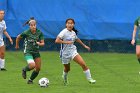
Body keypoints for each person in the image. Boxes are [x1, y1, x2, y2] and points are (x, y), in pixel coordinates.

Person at [55, 18, 96, 85]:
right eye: (68, 23)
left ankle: (90, 79)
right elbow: (57, 40)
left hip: (73, 51)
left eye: (71, 23)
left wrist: (84, 46)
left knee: (83, 64)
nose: (70, 25)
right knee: (67, 69)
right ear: (66, 24)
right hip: (64, 54)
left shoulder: (73, 33)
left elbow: (77, 39)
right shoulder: (63, 32)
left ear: (73, 24)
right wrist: (66, 42)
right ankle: (64, 78)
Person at [15, 17, 45, 84]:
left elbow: (43, 43)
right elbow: (18, 37)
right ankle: (24, 70)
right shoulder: (26, 32)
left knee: (38, 68)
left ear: (36, 25)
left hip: (36, 52)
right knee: (32, 65)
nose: (33, 26)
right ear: (29, 26)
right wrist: (17, 45)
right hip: (28, 52)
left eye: (34, 25)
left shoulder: (39, 32)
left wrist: (39, 44)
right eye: (31, 25)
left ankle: (30, 80)